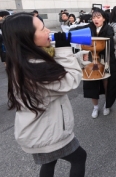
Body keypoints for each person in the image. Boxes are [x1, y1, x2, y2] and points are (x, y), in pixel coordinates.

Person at [2, 12, 87, 177]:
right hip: (47, 133)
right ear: (27, 38)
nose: (48, 31)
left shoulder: (25, 61)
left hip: (39, 131)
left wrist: (76, 57)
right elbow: (70, 80)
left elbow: (56, 70)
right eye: (42, 29)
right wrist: (64, 49)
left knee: (49, 162)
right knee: (79, 158)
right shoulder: (34, 70)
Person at [72, 8, 116, 118]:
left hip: (106, 58)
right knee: (91, 83)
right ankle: (95, 107)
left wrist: (97, 47)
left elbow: (110, 46)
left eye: (98, 17)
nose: (95, 19)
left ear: (104, 18)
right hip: (90, 58)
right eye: (93, 17)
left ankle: (107, 105)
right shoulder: (89, 27)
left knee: (107, 82)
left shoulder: (109, 29)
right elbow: (77, 29)